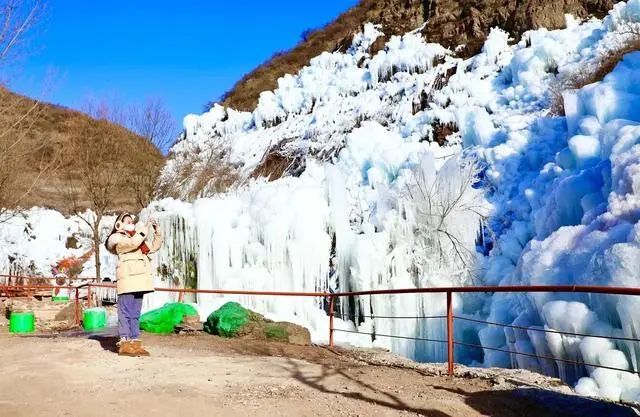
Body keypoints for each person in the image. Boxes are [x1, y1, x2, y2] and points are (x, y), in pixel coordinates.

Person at [105, 213, 163, 357]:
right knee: (125, 312)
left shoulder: (138, 238)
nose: (131, 222)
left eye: (132, 221)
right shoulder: (118, 239)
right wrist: (144, 228)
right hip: (127, 279)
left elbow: (153, 247)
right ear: (119, 224)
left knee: (135, 313)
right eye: (127, 221)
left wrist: (157, 231)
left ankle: (135, 342)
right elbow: (133, 244)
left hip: (140, 280)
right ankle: (125, 343)